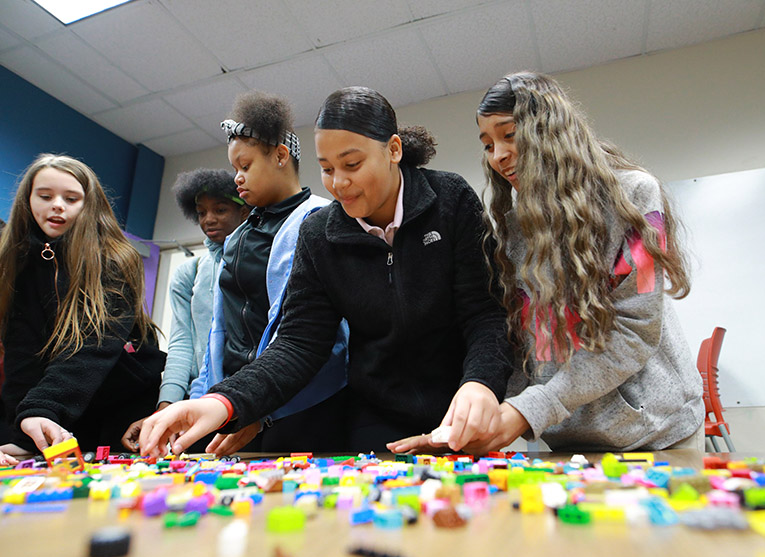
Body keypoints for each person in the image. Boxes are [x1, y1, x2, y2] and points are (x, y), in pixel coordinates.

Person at [139, 86, 513, 458]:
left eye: (352, 165)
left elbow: (483, 312)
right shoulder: (320, 234)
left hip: (460, 406)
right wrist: (224, 401)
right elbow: (299, 343)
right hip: (374, 417)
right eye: (327, 169)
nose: (338, 183)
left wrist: (481, 384)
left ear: (393, 150)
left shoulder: (450, 199)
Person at [392, 72, 704, 455]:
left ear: (550, 130)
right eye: (488, 144)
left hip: (658, 437)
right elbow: (522, 347)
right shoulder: (510, 231)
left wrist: (525, 412)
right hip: (567, 442)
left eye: (509, 135)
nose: (498, 155)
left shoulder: (636, 197)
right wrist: (481, 420)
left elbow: (635, 330)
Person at [177, 91, 349, 455]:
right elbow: (219, 329)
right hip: (242, 403)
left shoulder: (320, 221)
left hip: (304, 405)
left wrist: (265, 407)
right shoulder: (239, 234)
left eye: (245, 166)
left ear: (281, 156)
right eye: (235, 169)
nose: (237, 178)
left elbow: (321, 336)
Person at [0, 154, 165, 466]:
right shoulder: (18, 264)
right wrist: (25, 432)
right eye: (45, 196)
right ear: (28, 200)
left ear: (88, 205)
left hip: (125, 400)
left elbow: (91, 347)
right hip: (68, 402)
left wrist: (42, 409)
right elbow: (22, 356)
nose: (57, 205)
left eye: (71, 198)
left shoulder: (115, 258)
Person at [121, 169, 249, 450]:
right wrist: (165, 409)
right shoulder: (188, 274)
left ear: (244, 211)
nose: (209, 219)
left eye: (220, 209)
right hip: (199, 402)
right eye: (201, 212)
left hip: (247, 401)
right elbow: (182, 344)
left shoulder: (255, 265)